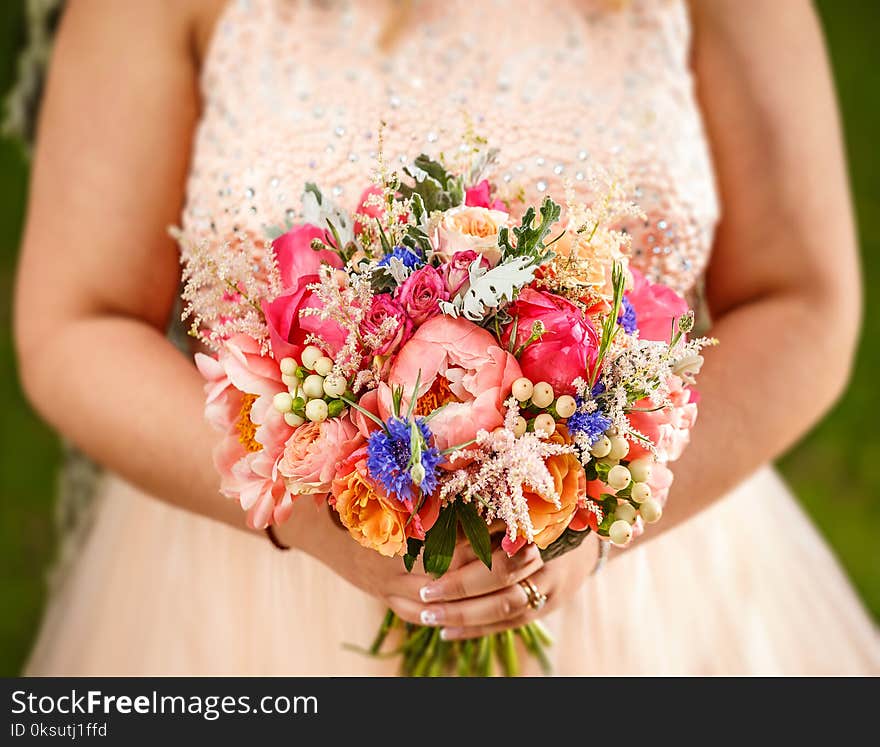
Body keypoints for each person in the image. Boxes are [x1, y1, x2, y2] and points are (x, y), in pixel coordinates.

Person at [14, 0, 878, 675]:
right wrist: (308, 511)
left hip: (655, 598)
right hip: (263, 597)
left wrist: (602, 519)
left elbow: (802, 298)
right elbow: (77, 321)